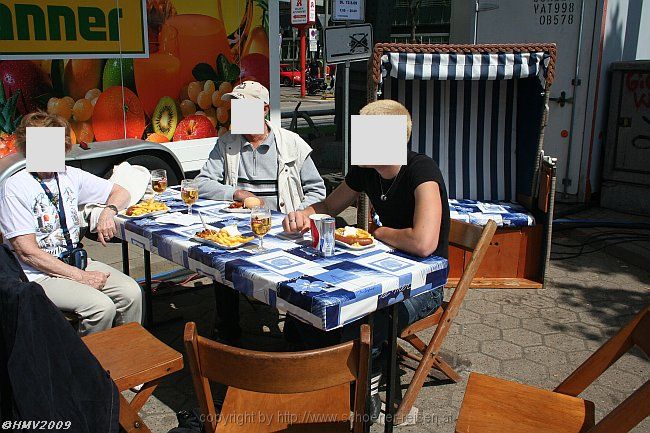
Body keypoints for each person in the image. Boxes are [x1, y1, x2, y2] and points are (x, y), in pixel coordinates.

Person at [281, 99, 450, 419]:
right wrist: (302, 215)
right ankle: (317, 375)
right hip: (379, 270)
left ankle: (364, 389)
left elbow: (424, 243)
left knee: (369, 317)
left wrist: (382, 233)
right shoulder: (367, 170)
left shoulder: (422, 170)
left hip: (422, 286)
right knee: (307, 300)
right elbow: (330, 206)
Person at [195, 80, 326, 342]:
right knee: (221, 258)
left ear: (264, 108)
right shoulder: (227, 143)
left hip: (284, 229)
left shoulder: (291, 143)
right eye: (235, 105)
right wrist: (237, 193)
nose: (236, 112)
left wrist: (299, 213)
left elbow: (318, 191)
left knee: (300, 272)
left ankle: (296, 329)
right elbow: (201, 182)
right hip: (240, 229)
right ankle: (229, 328)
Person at [0, 112, 142, 335]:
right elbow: (28, 253)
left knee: (132, 292)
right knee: (100, 307)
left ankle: (127, 358)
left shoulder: (69, 176)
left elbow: (120, 192)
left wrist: (109, 211)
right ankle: (87, 367)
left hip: (75, 260)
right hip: (39, 273)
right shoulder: (16, 187)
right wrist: (82, 277)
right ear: (28, 148)